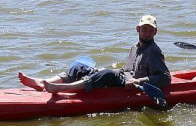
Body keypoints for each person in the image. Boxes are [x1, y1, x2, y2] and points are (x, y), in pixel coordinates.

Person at [18, 15, 171, 94]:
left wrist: (139, 81)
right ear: (137, 29)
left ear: (155, 32)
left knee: (107, 74)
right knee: (80, 66)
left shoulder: (154, 51)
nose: (147, 33)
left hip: (132, 85)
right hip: (125, 77)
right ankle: (43, 82)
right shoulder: (134, 47)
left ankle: (62, 89)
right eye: (144, 29)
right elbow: (127, 70)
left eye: (150, 30)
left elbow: (165, 78)